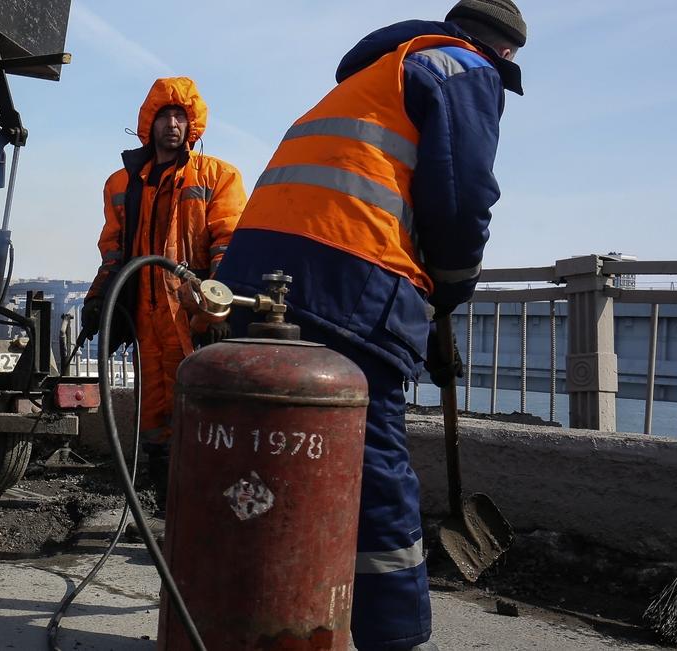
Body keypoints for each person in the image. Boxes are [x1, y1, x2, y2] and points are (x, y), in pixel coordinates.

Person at [212, 2, 526, 649]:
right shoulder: (466, 69)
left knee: (264, 452)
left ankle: (235, 614)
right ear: (504, 52)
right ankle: (396, 636)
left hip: (257, 277)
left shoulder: (372, 76)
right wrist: (451, 291)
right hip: (345, 280)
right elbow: (463, 201)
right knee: (375, 464)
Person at [80, 77, 247, 499]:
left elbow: (229, 244)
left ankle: (198, 504)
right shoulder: (121, 183)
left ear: (193, 124)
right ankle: (162, 502)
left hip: (191, 315)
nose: (172, 123)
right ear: (148, 123)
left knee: (200, 407)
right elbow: (113, 250)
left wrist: (218, 311)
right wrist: (100, 296)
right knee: (153, 408)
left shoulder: (219, 176)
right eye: (164, 114)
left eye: (180, 115)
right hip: (145, 317)